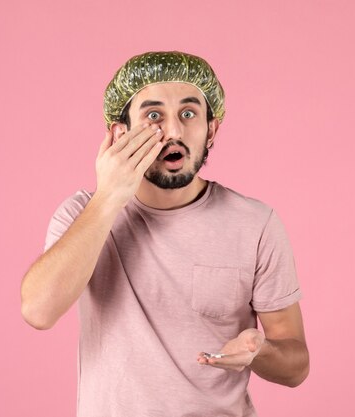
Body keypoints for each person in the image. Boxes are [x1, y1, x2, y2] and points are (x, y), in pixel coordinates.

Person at [21, 51, 309, 416]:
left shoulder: (255, 224)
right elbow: (38, 310)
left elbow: (296, 365)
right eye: (153, 116)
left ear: (212, 129)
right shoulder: (84, 214)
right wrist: (109, 197)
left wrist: (260, 351)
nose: (173, 131)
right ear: (120, 133)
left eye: (188, 114)